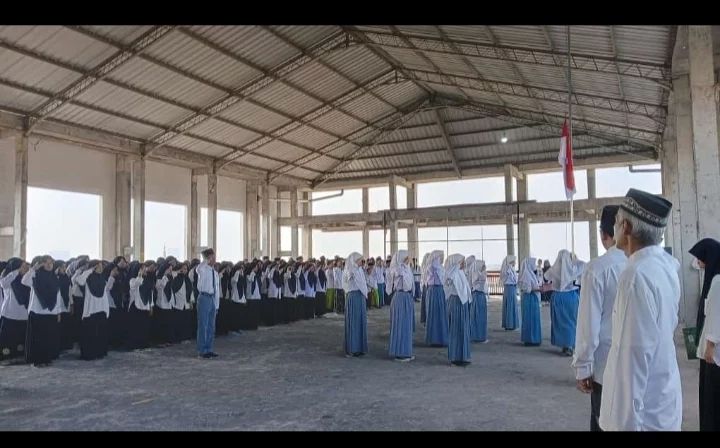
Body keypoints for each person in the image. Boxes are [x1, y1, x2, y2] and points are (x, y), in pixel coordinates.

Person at [599, 188, 681, 431]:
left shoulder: (635, 276)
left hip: (644, 415)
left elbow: (631, 361)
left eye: (616, 221)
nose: (614, 227)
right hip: (662, 400)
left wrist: (626, 425)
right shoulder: (664, 266)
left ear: (626, 228)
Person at [572, 205, 627, 432]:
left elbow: (588, 326)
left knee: (604, 422)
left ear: (604, 235)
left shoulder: (597, 269)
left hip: (605, 364)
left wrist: (583, 367)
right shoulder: (651, 266)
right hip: (643, 367)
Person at [689, 238, 720, 431]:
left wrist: (710, 345)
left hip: (713, 354)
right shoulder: (714, 277)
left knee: (712, 397)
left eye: (702, 259)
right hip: (713, 351)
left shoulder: (717, 281)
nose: (699, 263)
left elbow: (716, 315)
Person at [22, 255, 62, 367]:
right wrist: (33, 269)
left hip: (51, 312)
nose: (49, 265)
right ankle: (38, 361)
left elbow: (57, 295)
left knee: (48, 337)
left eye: (51, 263)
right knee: (38, 338)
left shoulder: (54, 277)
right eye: (46, 263)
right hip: (37, 311)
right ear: (42, 264)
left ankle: (47, 359)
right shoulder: (36, 275)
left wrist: (58, 311)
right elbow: (24, 281)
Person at [546, 250, 584, 356]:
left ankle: (564, 345)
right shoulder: (574, 269)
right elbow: (584, 266)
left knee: (559, 322)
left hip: (557, 297)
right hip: (571, 297)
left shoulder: (554, 269)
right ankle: (570, 345)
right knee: (571, 321)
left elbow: (546, 277)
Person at [76, 260, 115, 360]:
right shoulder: (88, 277)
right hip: (91, 309)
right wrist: (89, 271)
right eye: (98, 266)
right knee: (90, 333)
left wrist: (111, 278)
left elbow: (106, 289)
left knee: (101, 333)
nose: (101, 268)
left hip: (102, 308)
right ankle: (89, 354)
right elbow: (79, 280)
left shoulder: (102, 277)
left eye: (102, 266)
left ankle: (100, 352)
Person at [387, 250, 415, 362]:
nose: (408, 259)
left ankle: (406, 351)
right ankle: (400, 353)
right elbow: (397, 273)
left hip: (406, 297)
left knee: (406, 326)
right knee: (401, 325)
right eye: (406, 257)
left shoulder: (406, 268)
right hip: (400, 298)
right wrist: (404, 264)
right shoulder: (397, 269)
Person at [445, 254, 472, 366]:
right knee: (456, 330)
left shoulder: (460, 273)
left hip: (462, 304)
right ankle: (455, 357)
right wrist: (454, 268)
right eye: (461, 261)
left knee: (463, 329)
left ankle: (462, 356)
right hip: (456, 303)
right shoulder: (452, 273)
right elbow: (448, 282)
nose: (463, 263)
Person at [0, 258, 30, 360]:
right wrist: (16, 272)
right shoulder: (9, 277)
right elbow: (3, 284)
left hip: (23, 314)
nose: (24, 268)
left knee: (20, 339)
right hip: (9, 313)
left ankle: (19, 355)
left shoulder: (25, 278)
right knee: (8, 338)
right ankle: (6, 355)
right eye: (22, 266)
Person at [196, 248, 220, 359]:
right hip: (204, 297)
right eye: (212, 257)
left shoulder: (215, 273)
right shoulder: (202, 269)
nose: (214, 259)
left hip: (212, 299)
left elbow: (217, 290)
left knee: (211, 325)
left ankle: (209, 348)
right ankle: (202, 350)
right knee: (203, 325)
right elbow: (198, 268)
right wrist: (206, 259)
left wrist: (217, 305)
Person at [343, 252, 368, 357]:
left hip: (360, 297)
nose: (361, 262)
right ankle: (353, 348)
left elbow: (363, 284)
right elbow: (347, 279)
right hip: (353, 297)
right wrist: (353, 270)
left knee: (360, 322)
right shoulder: (350, 270)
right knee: (354, 322)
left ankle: (360, 347)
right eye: (359, 260)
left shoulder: (360, 270)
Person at [126, 261, 154, 350]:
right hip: (136, 307)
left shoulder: (148, 280)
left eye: (145, 268)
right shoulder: (133, 280)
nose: (145, 270)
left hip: (145, 307)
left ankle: (143, 344)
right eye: (142, 268)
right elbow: (135, 285)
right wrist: (139, 276)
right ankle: (135, 346)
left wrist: (151, 306)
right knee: (136, 328)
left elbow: (150, 294)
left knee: (144, 327)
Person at [424, 250, 448, 347]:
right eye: (441, 256)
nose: (442, 258)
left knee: (439, 314)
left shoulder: (439, 267)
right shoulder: (433, 266)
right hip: (435, 291)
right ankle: (435, 339)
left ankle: (439, 338)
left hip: (438, 290)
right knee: (435, 314)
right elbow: (442, 279)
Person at [518, 257, 542, 346]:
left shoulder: (530, 274)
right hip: (530, 298)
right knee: (530, 319)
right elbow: (528, 289)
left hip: (532, 298)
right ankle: (531, 339)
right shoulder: (526, 275)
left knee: (533, 318)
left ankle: (533, 338)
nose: (534, 266)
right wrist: (539, 289)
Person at [467, 258, 488, 343]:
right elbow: (479, 283)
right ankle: (477, 336)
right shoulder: (477, 274)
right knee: (477, 316)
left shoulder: (480, 273)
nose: (484, 267)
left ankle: (480, 335)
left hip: (480, 296)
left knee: (480, 317)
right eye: (483, 265)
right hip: (477, 296)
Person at [55, 260, 74, 352]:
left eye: (65, 267)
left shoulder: (66, 277)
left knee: (66, 326)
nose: (64, 269)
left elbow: (69, 291)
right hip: (57, 305)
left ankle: (66, 345)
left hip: (66, 304)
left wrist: (72, 303)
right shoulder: (54, 278)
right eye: (62, 267)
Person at [500, 255, 519, 330]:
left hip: (512, 288)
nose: (515, 263)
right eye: (514, 261)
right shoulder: (507, 269)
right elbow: (509, 278)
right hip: (509, 288)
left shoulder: (511, 268)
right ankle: (509, 324)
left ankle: (511, 324)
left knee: (511, 305)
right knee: (510, 305)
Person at [419, 253, 430, 324]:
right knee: (427, 304)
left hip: (424, 286)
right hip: (427, 286)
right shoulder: (427, 268)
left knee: (425, 303)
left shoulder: (423, 267)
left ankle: (425, 319)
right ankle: (427, 319)